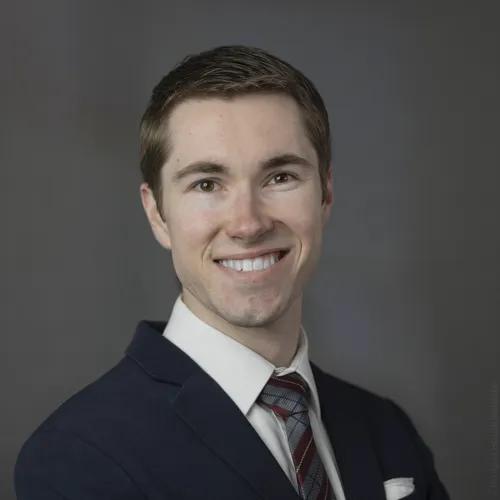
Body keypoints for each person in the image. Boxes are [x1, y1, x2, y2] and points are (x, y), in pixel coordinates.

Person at [14, 45, 450, 500]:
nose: (249, 224)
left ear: (325, 194)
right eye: (207, 184)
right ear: (157, 214)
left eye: (280, 177)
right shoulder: (80, 457)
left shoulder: (387, 430)